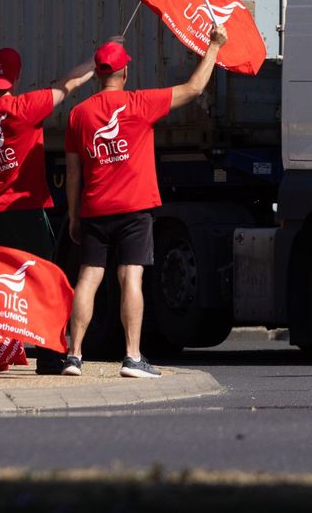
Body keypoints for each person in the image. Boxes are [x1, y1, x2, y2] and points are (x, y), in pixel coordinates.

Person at [63, 26, 228, 378]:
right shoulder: (139, 103)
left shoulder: (79, 115)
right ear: (125, 72)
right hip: (134, 210)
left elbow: (73, 174)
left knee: (88, 278)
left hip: (94, 209)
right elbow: (195, 88)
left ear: (98, 75)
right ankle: (133, 357)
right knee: (130, 278)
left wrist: (74, 216)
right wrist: (214, 46)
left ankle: (74, 356)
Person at [0, 46, 94, 374]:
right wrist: (96, 59)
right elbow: (69, 84)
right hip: (30, 208)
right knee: (42, 279)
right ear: (17, 77)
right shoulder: (28, 106)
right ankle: (48, 352)